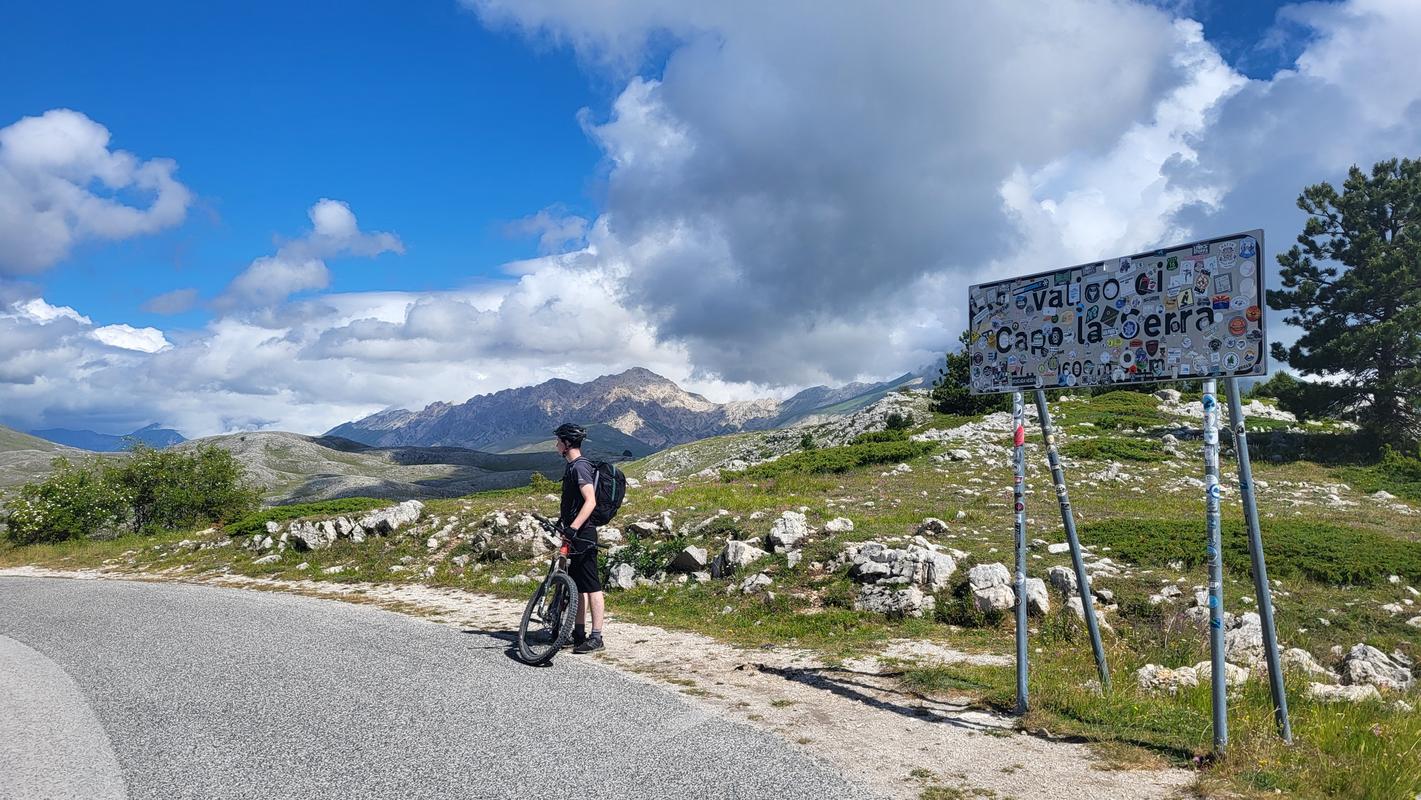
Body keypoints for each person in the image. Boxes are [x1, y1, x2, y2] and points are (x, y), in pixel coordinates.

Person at [553, 423, 605, 654]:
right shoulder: (573, 467)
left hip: (584, 534)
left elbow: (590, 501)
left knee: (592, 586)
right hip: (575, 533)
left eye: (558, 441)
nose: (555, 445)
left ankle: (596, 637)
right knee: (576, 586)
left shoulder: (579, 467)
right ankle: (578, 633)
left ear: (565, 444)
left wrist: (573, 528)